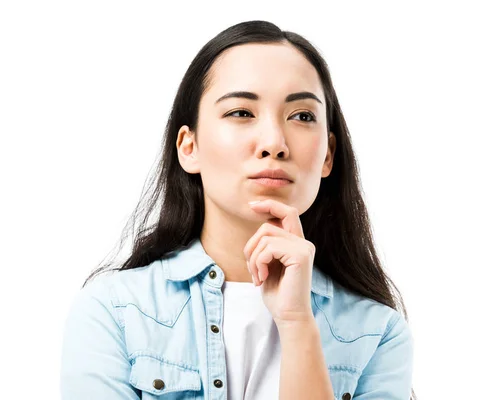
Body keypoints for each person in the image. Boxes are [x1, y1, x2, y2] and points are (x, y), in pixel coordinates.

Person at [60, 20, 416, 400]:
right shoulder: (114, 312)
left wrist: (297, 324)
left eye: (302, 116)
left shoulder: (378, 333)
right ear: (189, 147)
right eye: (241, 113)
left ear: (328, 155)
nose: (274, 143)